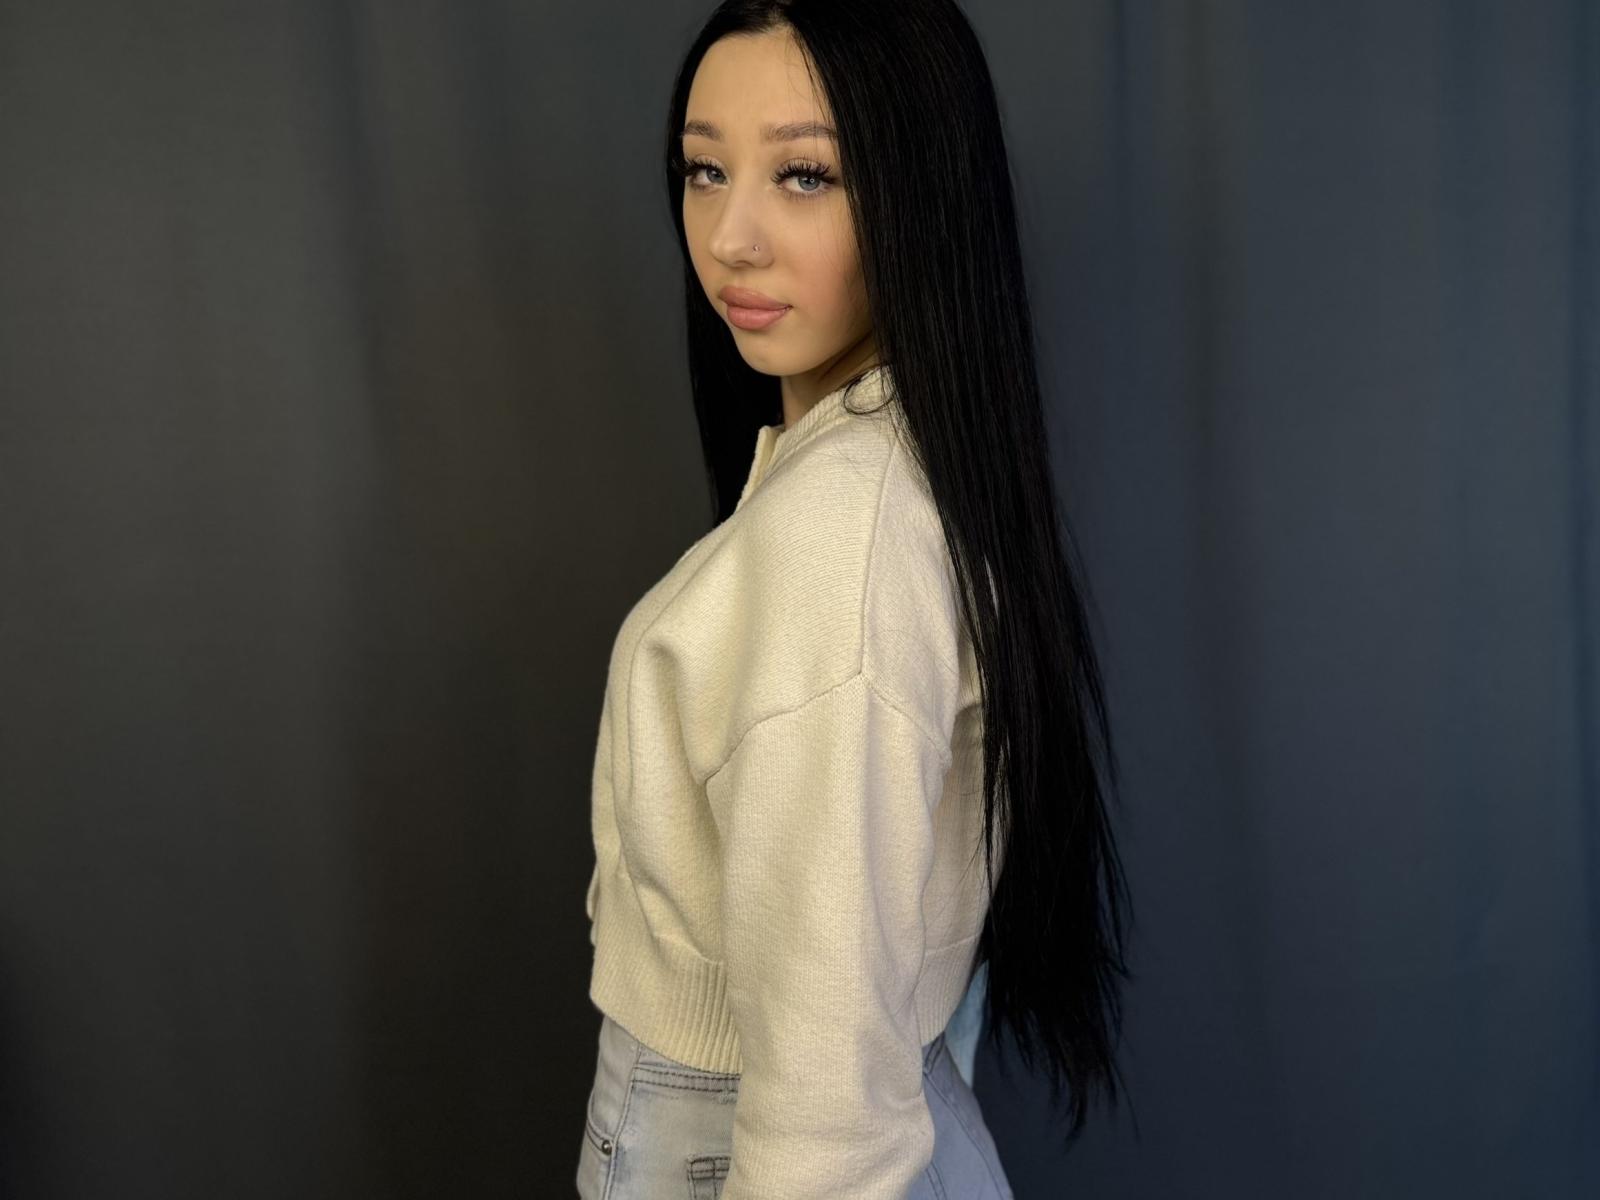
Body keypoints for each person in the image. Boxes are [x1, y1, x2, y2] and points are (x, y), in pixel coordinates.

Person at [577, 3, 1134, 1197]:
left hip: (742, 1139)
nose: (730, 236)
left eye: (805, 175)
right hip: (860, 1108)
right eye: (705, 169)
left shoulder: (843, 532)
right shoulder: (882, 477)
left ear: (917, 192)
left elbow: (828, 1095)